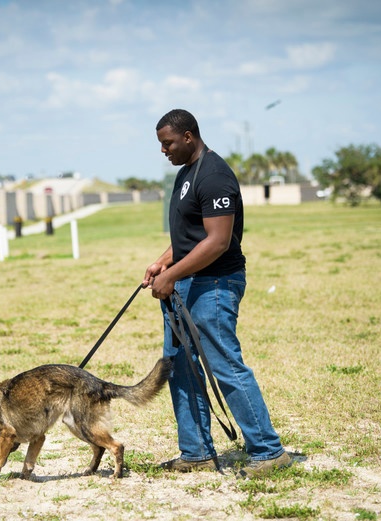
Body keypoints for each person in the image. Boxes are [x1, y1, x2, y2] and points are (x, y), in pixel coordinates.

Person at [143, 109, 291, 477]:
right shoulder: (185, 174)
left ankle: (269, 451)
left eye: (168, 143)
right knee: (180, 367)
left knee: (223, 364)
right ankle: (197, 453)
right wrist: (163, 263)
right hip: (187, 282)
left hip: (215, 284)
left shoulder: (214, 175)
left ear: (188, 136)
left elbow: (218, 241)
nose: (163, 150)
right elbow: (190, 237)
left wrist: (172, 274)